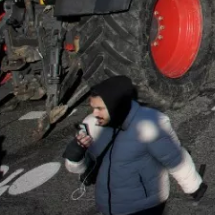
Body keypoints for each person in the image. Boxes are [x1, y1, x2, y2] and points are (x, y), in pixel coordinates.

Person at [64, 76, 207, 214]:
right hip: (108, 206)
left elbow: (174, 158)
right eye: (93, 107)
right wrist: (75, 156)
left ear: (114, 105)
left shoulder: (150, 125)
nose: (94, 113)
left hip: (145, 205)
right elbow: (84, 168)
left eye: (100, 108)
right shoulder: (91, 124)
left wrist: (193, 186)